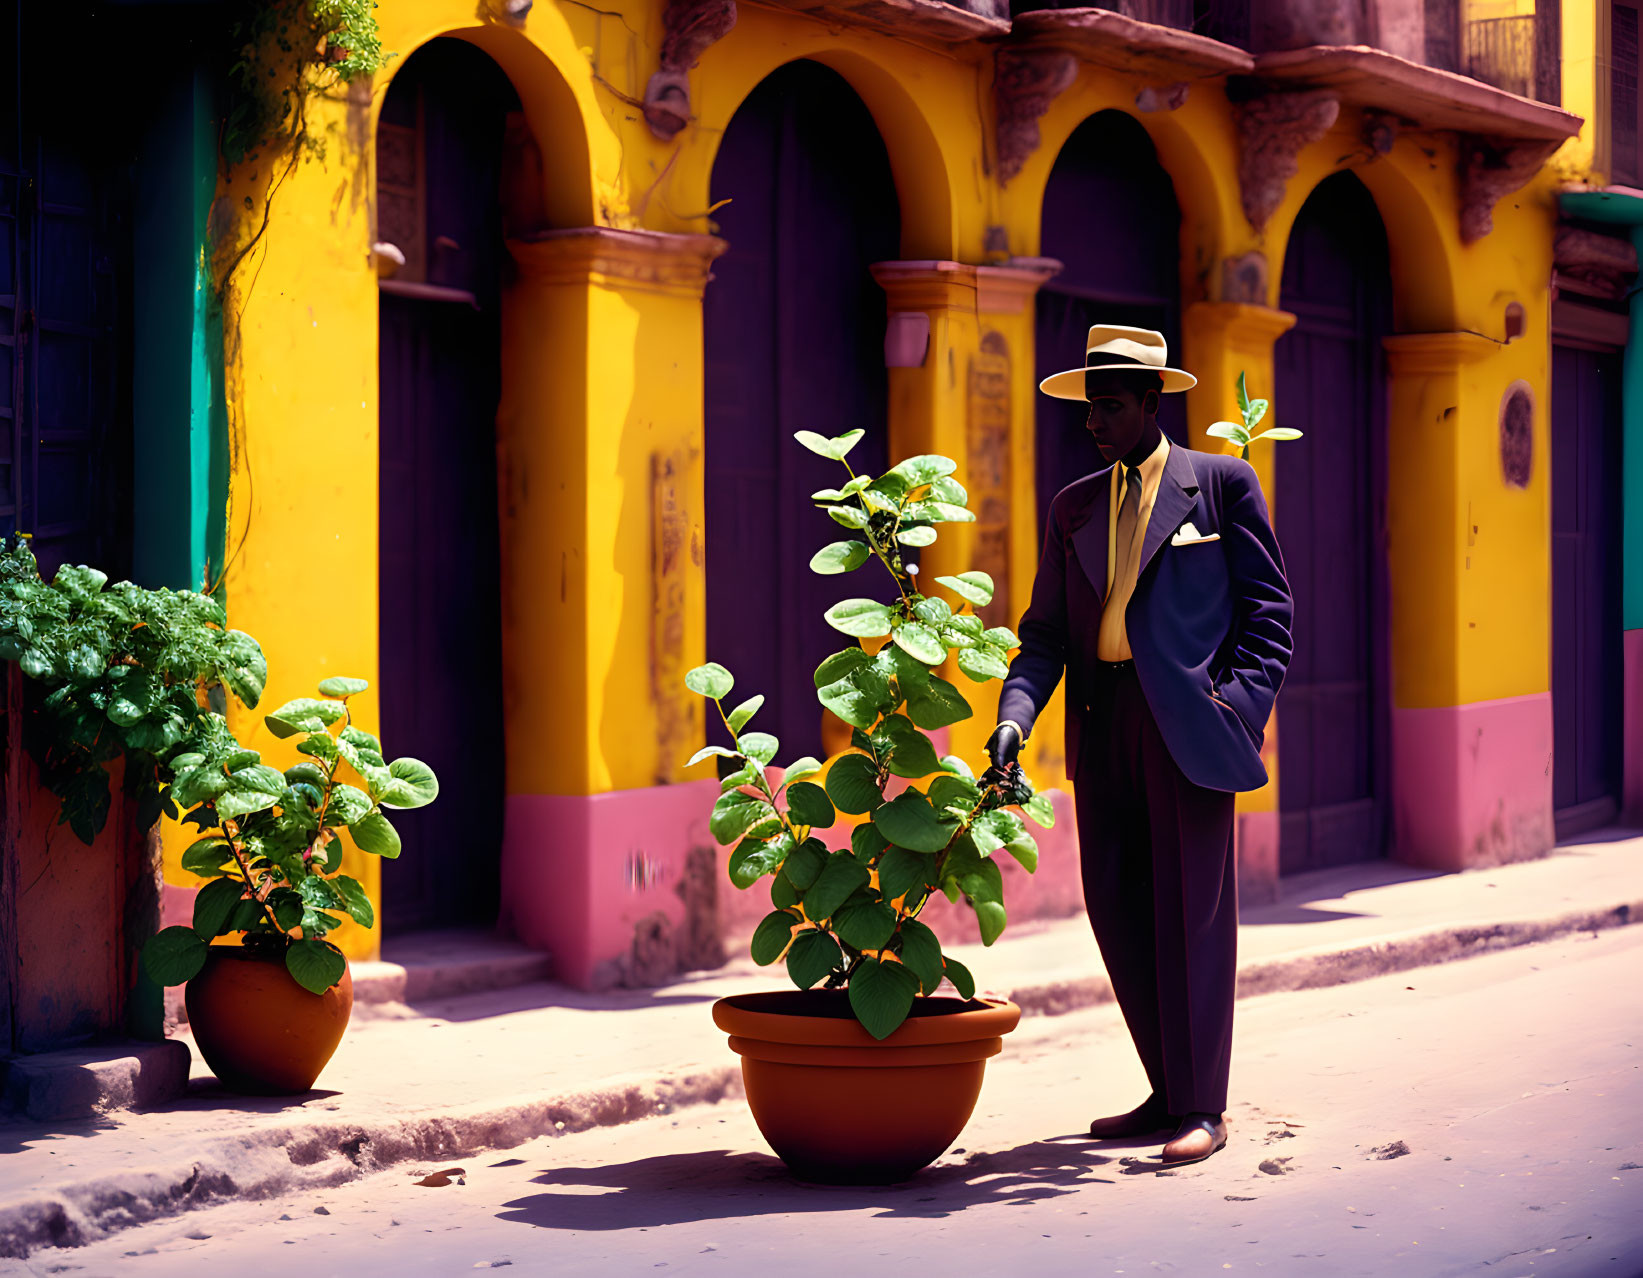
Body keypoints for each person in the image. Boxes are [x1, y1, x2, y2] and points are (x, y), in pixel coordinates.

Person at [983, 325, 1293, 1168]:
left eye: (1111, 406)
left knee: (1191, 913)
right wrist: (1014, 715)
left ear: (1153, 404)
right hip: (1101, 721)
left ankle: (1204, 1107)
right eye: (1089, 407)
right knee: (1120, 908)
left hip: (1188, 725)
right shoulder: (1073, 505)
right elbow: (1043, 632)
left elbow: (1270, 614)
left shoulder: (1222, 486)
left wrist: (1234, 705)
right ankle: (1164, 1087)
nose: (1094, 422)